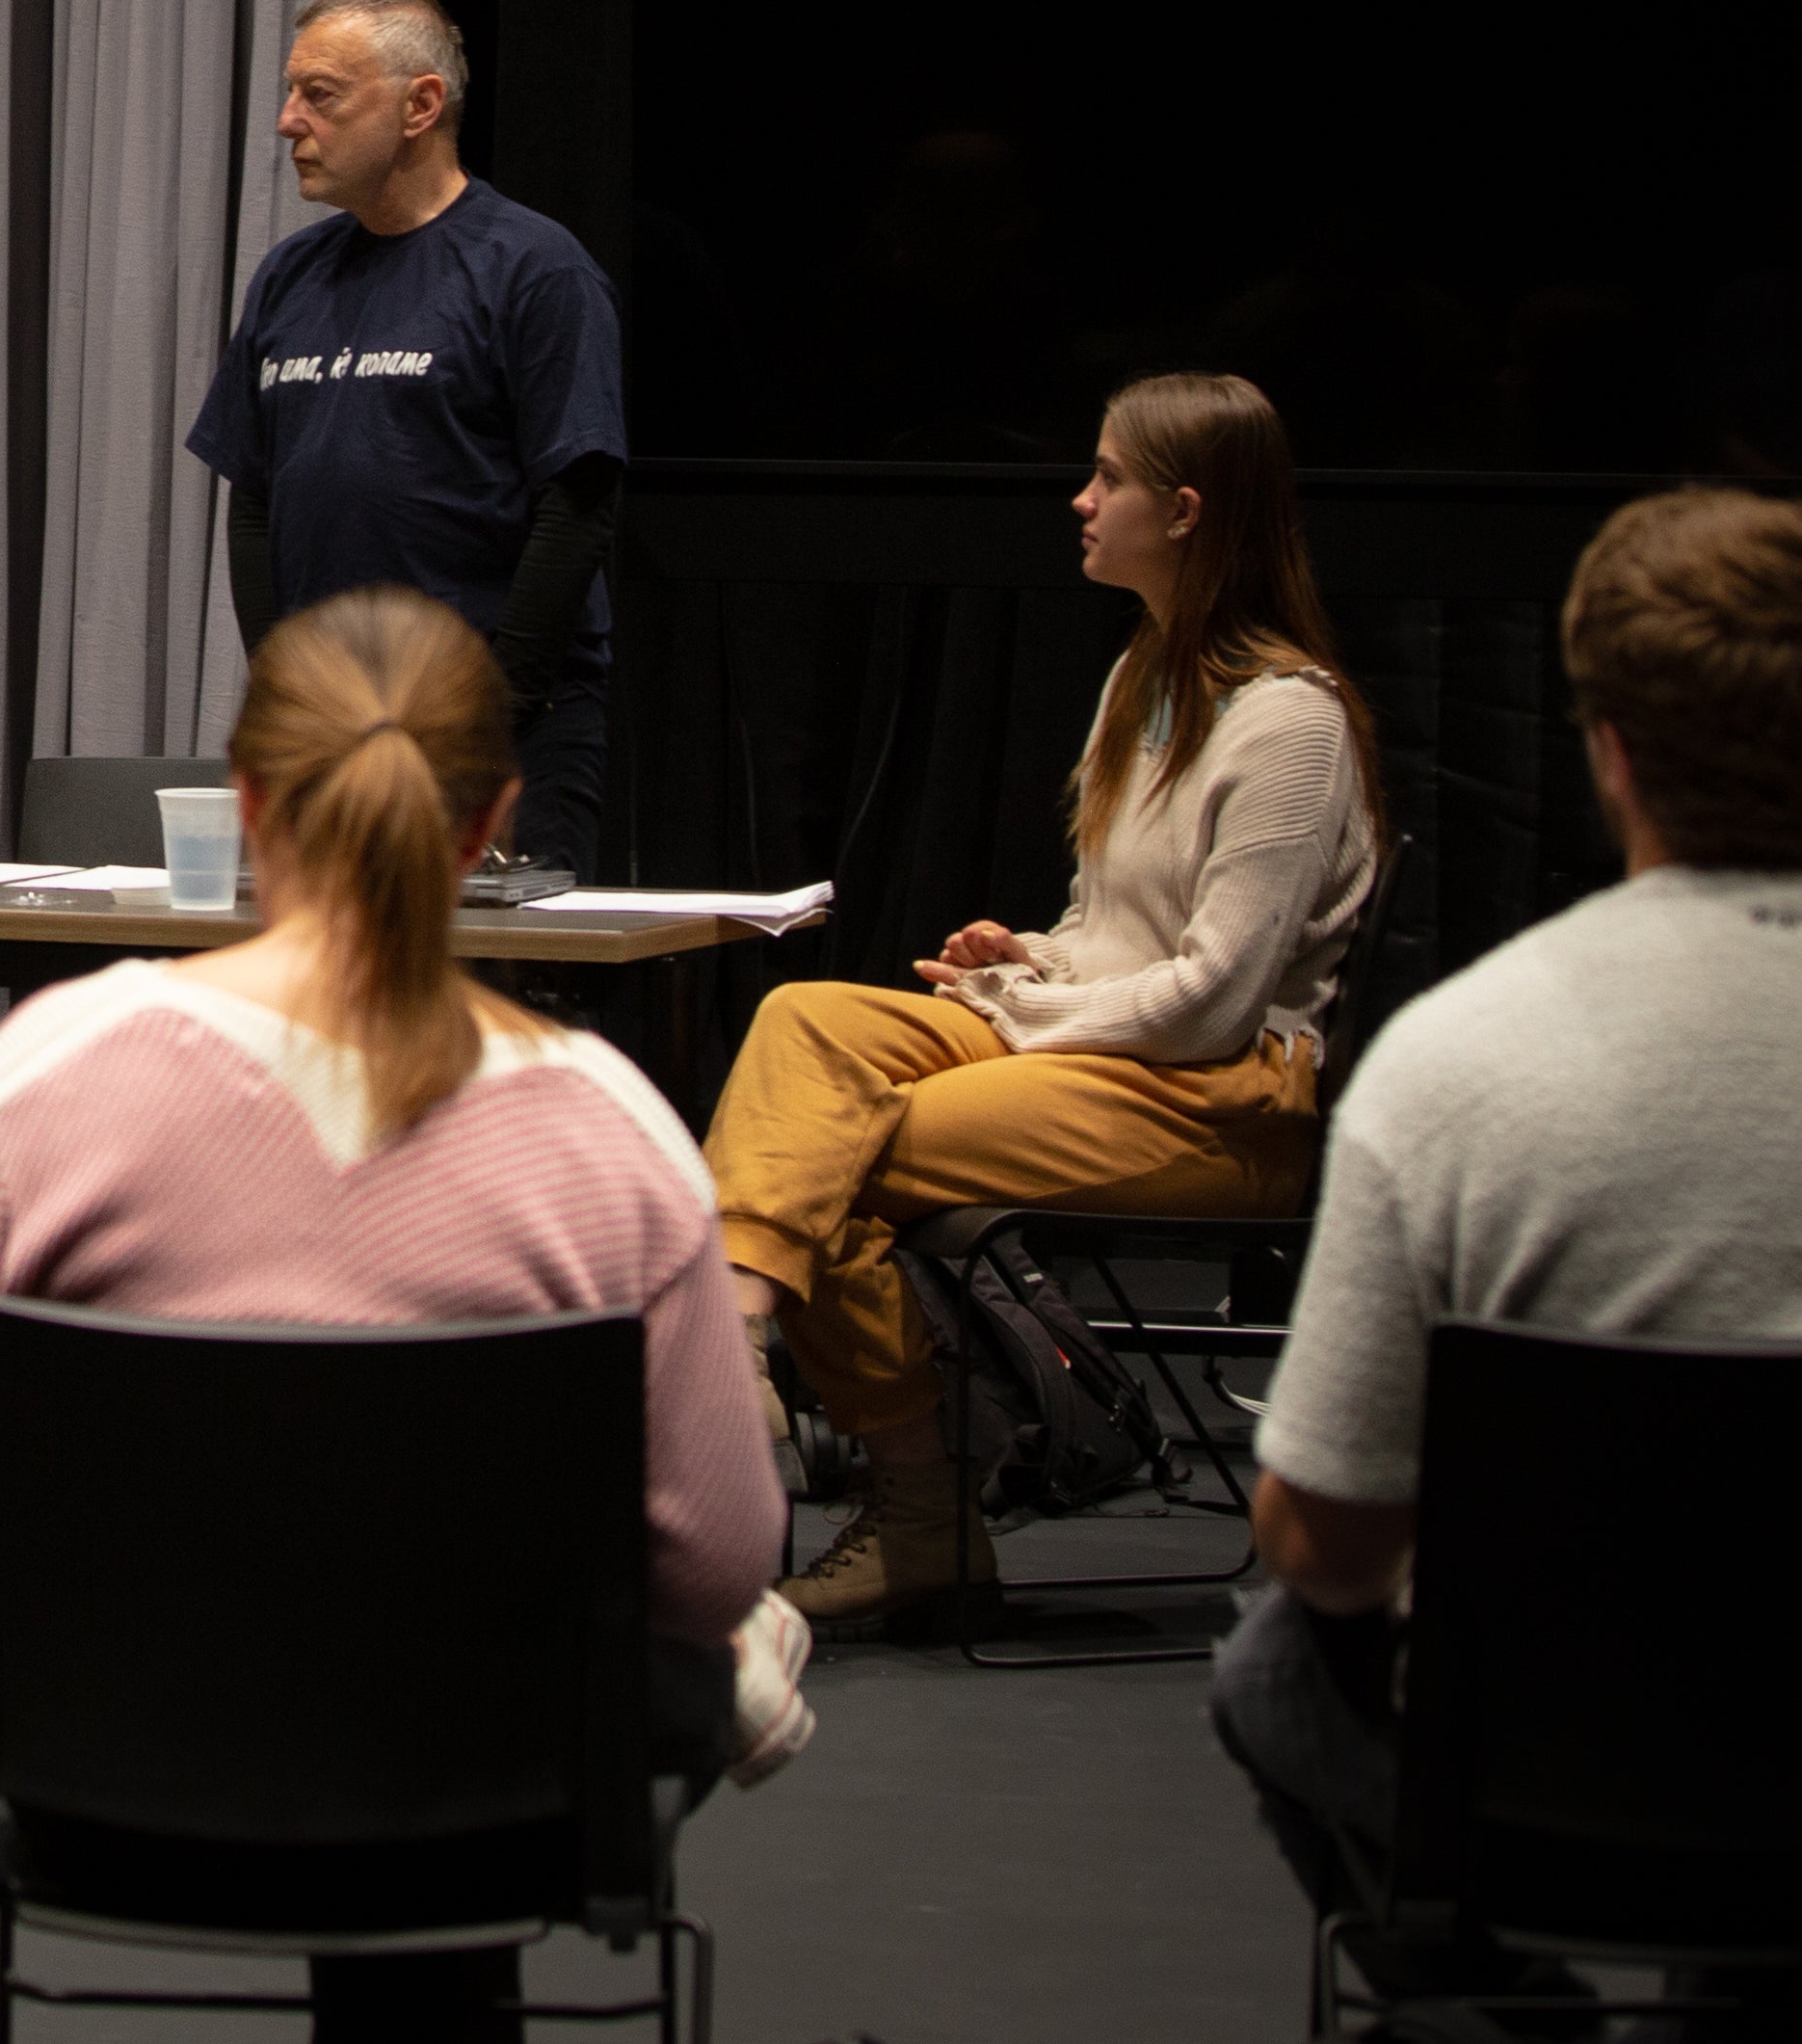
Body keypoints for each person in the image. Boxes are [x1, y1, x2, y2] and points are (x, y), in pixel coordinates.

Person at [0, 585, 794, 2043]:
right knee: (715, 1655)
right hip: (501, 1800)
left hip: (106, 1781)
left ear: (245, 801)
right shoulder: (614, 1132)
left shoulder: (42, 1076)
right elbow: (718, 1563)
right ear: (493, 822)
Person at [1213, 488, 1802, 2007]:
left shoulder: (1461, 1063)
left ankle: (1499, 2009)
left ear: (1604, 748)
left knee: (1269, 1654)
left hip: (1554, 1780)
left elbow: (1331, 1548)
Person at [710, 372, 1380, 1628]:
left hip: (1220, 1099)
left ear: (1182, 510)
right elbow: (1113, 936)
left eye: (1109, 476)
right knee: (804, 1023)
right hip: (1106, 1042)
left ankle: (918, 1507)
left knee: (843, 1147)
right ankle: (739, 1335)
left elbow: (1213, 1003)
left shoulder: (1294, 721)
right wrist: (1031, 954)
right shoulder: (1144, 673)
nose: (1082, 498)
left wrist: (1022, 1007)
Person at [185, 0, 627, 884]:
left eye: (321, 94)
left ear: (421, 104)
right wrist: (288, 695)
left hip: (499, 734)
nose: (285, 121)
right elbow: (256, 503)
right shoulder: (289, 277)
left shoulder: (534, 269)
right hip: (334, 735)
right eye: (290, 90)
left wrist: (486, 710)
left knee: (495, 1006)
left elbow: (577, 505)